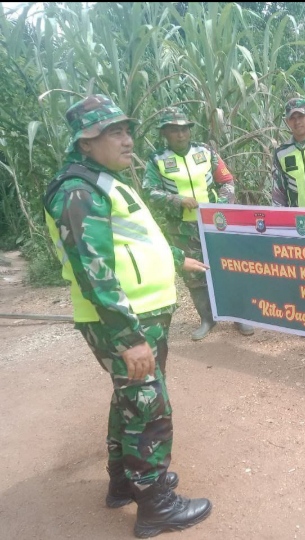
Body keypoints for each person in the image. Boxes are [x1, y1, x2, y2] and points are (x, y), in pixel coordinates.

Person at [43, 95, 212, 538]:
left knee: (130, 398)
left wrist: (178, 258)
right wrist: (128, 336)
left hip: (143, 316)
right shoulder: (78, 190)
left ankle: (124, 482)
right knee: (148, 406)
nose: (127, 139)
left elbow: (139, 237)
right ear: (85, 143)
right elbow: (93, 268)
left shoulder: (103, 180)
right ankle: (155, 503)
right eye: (112, 132)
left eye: (125, 129)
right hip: (125, 322)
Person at [142, 106, 254, 340]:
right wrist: (177, 200)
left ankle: (240, 317)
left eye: (184, 129)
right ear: (165, 133)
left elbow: (227, 181)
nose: (180, 135)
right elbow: (149, 192)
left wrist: (222, 203)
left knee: (228, 268)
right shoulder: (157, 160)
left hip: (215, 224)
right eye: (174, 130)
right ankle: (207, 319)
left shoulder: (205, 152)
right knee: (194, 275)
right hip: (183, 228)